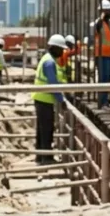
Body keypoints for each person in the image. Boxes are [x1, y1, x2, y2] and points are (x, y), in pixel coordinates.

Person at [31, 34, 68, 165]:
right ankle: (46, 157)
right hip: (44, 99)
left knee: (42, 129)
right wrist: (61, 100)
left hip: (42, 99)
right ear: (54, 48)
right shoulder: (49, 62)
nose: (62, 52)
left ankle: (40, 156)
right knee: (47, 129)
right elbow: (53, 84)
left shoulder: (47, 59)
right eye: (61, 49)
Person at [91, 0, 110, 108]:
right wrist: (101, 19)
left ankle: (105, 100)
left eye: (108, 10)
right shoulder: (97, 23)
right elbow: (95, 30)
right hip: (101, 55)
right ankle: (101, 102)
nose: (107, 13)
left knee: (107, 78)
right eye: (105, 11)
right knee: (102, 78)